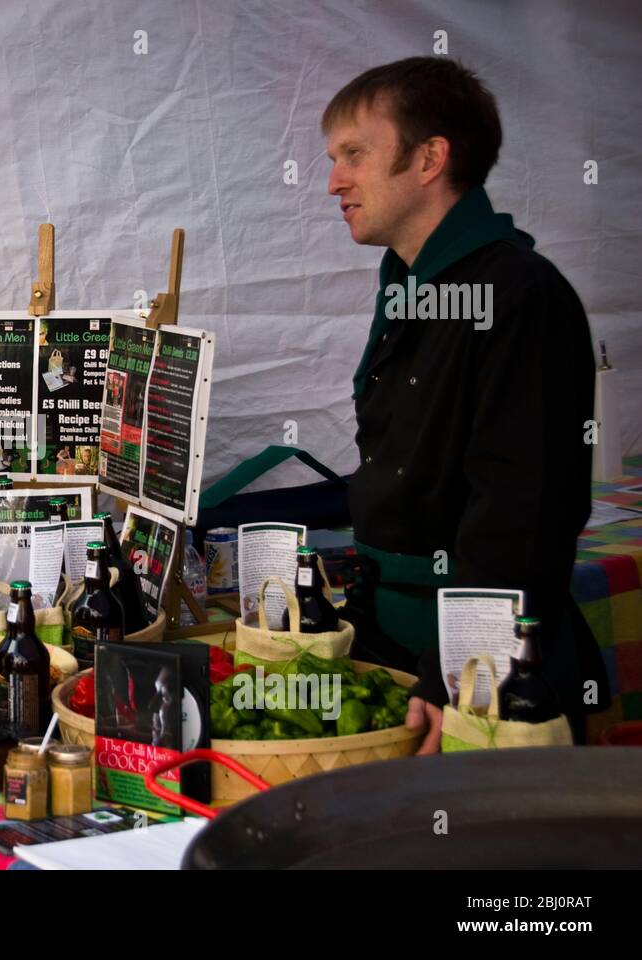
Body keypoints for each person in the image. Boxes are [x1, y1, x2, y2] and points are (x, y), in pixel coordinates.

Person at [322, 57, 608, 750]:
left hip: (482, 674)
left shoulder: (519, 295)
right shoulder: (411, 285)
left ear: (429, 158)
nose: (334, 181)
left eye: (355, 154)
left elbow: (523, 512)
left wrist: (461, 671)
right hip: (399, 641)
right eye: (333, 159)